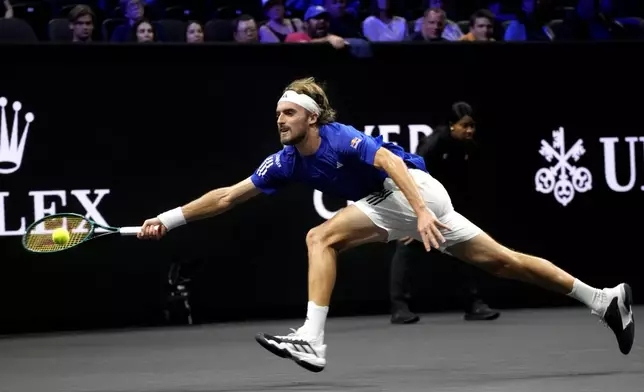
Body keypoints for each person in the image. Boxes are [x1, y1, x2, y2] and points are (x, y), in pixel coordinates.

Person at [137, 77, 634, 373]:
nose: (279, 120)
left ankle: (313, 338)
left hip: (412, 190)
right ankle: (602, 298)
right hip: (411, 204)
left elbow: (393, 165)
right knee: (504, 263)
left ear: (311, 118)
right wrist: (165, 219)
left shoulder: (340, 137)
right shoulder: (285, 160)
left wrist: (417, 210)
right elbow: (226, 196)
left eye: (288, 113)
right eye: (276, 114)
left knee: (320, 235)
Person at [390, 102, 500, 324]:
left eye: (472, 126)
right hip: (419, 204)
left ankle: (474, 305)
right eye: (464, 126)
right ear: (452, 125)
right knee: (406, 248)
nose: (469, 130)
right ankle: (399, 308)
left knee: (464, 249)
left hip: (445, 207)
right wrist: (414, 214)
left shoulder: (470, 148)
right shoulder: (433, 144)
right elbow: (410, 177)